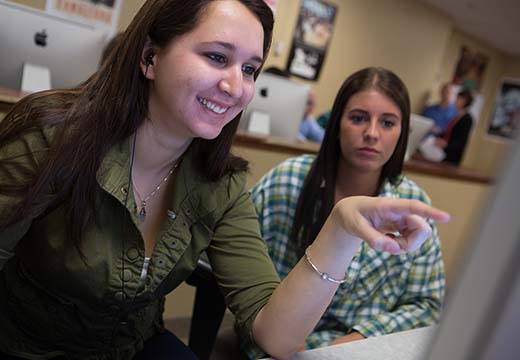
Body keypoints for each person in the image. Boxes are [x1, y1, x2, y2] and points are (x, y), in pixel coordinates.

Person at [0, 1, 449, 359]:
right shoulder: (49, 139)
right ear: (150, 56)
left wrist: (341, 229)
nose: (237, 87)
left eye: (250, 69)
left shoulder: (221, 183)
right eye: (217, 57)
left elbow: (275, 336)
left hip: (130, 346)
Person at [250, 67, 446, 352]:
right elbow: (243, 272)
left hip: (364, 349)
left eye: (388, 123)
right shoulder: (286, 181)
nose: (371, 133)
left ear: (402, 133)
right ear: (337, 123)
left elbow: (426, 305)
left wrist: (350, 344)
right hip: (279, 343)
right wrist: (291, 341)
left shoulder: (412, 203)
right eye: (358, 118)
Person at [435, 89, 474, 165]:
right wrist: (439, 134)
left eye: (459, 98)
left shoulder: (467, 119)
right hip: (443, 153)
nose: (456, 101)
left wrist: (447, 144)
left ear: (465, 101)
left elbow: (461, 140)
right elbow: (450, 133)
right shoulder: (456, 115)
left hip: (453, 155)